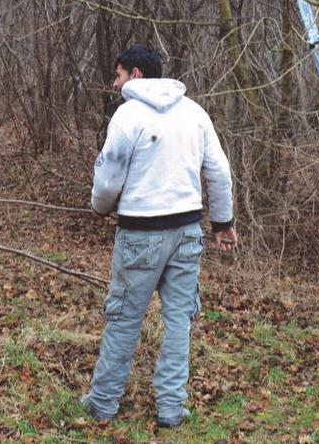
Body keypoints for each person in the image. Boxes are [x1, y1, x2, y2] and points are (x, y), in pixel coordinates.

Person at [83, 44, 237, 428]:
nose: (115, 83)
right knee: (179, 321)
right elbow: (219, 171)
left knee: (123, 319)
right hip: (187, 233)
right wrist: (222, 223)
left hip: (140, 235)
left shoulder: (127, 115)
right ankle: (171, 408)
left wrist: (101, 207)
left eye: (117, 75)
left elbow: (107, 182)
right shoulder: (194, 112)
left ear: (135, 74)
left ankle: (102, 404)